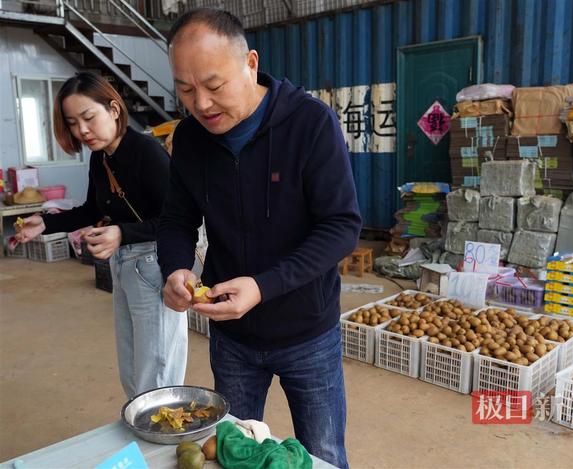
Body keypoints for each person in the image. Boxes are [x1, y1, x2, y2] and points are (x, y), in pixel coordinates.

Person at [158, 9, 361, 469]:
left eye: (214, 85)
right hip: (232, 337)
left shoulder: (311, 125)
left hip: (307, 331)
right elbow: (176, 219)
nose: (202, 104)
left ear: (250, 63)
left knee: (323, 456)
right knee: (231, 453)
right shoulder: (189, 139)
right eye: (186, 90)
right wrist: (175, 267)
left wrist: (264, 285)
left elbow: (341, 226)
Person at [15, 72, 188, 399]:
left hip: (156, 265)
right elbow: (92, 210)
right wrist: (45, 222)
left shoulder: (147, 152)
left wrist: (121, 232)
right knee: (133, 367)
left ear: (114, 109)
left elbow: (175, 221)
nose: (81, 130)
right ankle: (142, 431)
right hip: (124, 266)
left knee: (158, 371)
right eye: (72, 122)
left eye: (88, 117)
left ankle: (160, 439)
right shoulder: (100, 158)